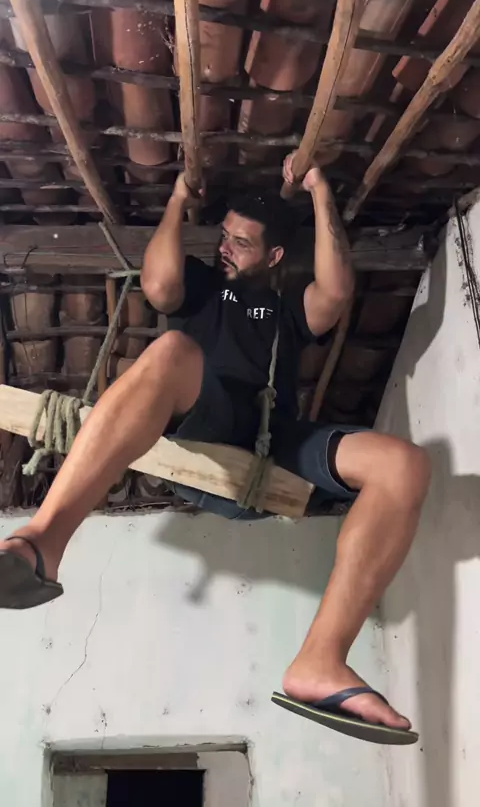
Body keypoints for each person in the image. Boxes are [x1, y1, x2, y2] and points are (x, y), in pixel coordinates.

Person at [0, 154, 430, 739]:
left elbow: (334, 292)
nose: (226, 247)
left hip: (272, 441)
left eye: (241, 243)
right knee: (172, 351)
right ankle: (43, 543)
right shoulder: (201, 287)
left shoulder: (287, 307)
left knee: (404, 465)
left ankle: (320, 662)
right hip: (205, 431)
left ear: (274, 256)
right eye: (224, 236)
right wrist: (180, 197)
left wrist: (319, 188)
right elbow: (157, 285)